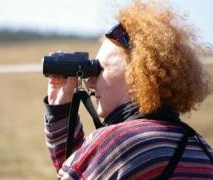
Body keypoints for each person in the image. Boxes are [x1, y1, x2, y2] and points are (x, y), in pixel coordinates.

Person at [43, 0, 213, 179]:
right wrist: (60, 110)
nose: (90, 82)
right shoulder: (200, 149)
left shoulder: (117, 144)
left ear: (138, 74)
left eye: (98, 69)